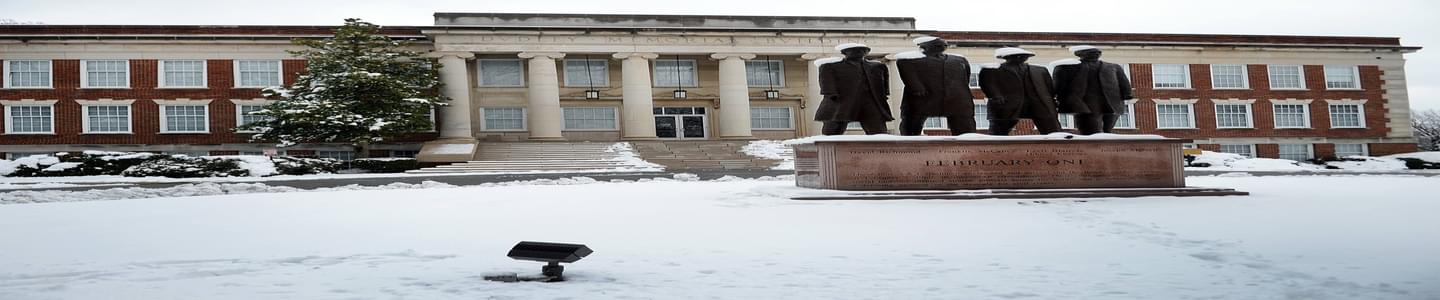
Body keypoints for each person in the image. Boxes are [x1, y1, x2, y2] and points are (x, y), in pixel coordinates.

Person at [896, 36, 975, 135]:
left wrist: (961, 91)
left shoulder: (959, 60)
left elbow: (965, 78)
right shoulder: (909, 60)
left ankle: (968, 147)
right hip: (923, 99)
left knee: (966, 130)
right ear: (923, 46)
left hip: (956, 100)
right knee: (911, 127)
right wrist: (916, 88)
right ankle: (910, 148)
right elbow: (907, 73)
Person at [978, 47, 1062, 135]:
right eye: (1015, 56)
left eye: (1022, 56)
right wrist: (996, 96)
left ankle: (1060, 146)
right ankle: (995, 148)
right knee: (998, 133)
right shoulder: (993, 70)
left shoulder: (1040, 70)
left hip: (1038, 104)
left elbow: (1049, 88)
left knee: (1054, 131)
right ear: (1006, 57)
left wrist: (1052, 101)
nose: (1019, 58)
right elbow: (988, 84)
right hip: (1007, 105)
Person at [1052, 45, 1134, 134]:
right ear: (1079, 54)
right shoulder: (1070, 67)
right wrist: (1057, 96)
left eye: (1097, 52)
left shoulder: (1113, 67)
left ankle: (1105, 146)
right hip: (1086, 104)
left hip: (1111, 103)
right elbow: (1059, 84)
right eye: (1090, 52)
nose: (1095, 54)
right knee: (1091, 131)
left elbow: (1124, 83)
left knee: (1107, 132)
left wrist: (1127, 94)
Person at [815, 43, 892, 135]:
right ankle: (827, 148)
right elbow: (826, 81)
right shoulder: (832, 66)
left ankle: (881, 148)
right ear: (845, 52)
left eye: (863, 50)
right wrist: (830, 94)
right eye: (854, 50)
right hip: (843, 101)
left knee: (879, 131)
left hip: (870, 102)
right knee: (833, 130)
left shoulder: (878, 67)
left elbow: (884, 81)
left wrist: (885, 94)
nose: (859, 52)